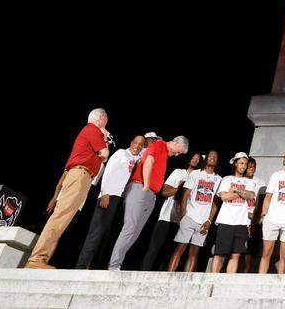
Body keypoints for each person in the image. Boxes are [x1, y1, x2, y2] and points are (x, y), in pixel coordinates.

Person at [27, 108, 112, 269]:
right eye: (105, 122)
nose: (105, 125)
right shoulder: (93, 129)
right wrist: (104, 137)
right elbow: (105, 154)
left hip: (82, 176)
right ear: (101, 119)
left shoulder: (90, 131)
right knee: (61, 216)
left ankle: (40, 258)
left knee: (63, 218)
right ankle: (36, 258)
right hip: (80, 174)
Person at [107, 134, 189, 271]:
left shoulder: (165, 154)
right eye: (178, 151)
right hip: (140, 188)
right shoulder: (159, 145)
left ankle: (118, 263)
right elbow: (148, 161)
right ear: (175, 142)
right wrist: (146, 185)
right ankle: (114, 264)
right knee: (130, 227)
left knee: (136, 231)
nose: (176, 155)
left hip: (151, 194)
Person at [75, 134, 144, 269]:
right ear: (131, 142)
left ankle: (93, 265)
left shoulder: (137, 159)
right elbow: (108, 172)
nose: (137, 146)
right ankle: (81, 266)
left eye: (141, 144)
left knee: (106, 235)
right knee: (96, 231)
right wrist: (104, 192)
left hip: (120, 198)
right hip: (109, 195)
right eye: (135, 142)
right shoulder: (121, 153)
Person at [140, 152, 202, 271]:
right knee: (154, 249)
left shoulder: (199, 177)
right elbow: (164, 191)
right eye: (193, 157)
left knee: (170, 253)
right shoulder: (178, 172)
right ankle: (143, 273)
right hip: (167, 217)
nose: (195, 160)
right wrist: (179, 189)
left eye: (198, 159)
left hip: (183, 220)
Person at [168, 149, 221, 272]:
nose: (212, 158)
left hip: (203, 222)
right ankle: (168, 279)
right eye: (210, 156)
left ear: (217, 161)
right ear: (206, 158)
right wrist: (183, 215)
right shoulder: (196, 174)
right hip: (189, 217)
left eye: (215, 157)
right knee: (179, 249)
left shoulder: (219, 179)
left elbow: (215, 203)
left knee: (194, 253)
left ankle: (187, 283)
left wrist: (209, 221)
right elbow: (185, 195)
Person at [211, 152, 258, 273]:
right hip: (226, 221)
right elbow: (224, 197)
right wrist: (242, 192)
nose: (243, 166)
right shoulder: (227, 179)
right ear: (235, 163)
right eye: (241, 163)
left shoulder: (250, 182)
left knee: (235, 255)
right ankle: (211, 280)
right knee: (219, 254)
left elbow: (251, 195)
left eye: (246, 164)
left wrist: (236, 189)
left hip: (241, 222)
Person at [259, 151, 285, 274]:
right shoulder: (276, 175)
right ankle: (260, 281)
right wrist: (264, 214)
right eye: (284, 156)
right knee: (266, 253)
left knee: (284, 255)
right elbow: (268, 196)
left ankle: (281, 284)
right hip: (272, 218)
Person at [244, 158, 266, 271]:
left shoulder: (261, 183)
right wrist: (245, 213)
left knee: (251, 250)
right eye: (249, 166)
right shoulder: (239, 180)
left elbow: (263, 202)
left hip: (255, 220)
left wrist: (255, 217)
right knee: (237, 249)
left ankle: (247, 271)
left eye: (253, 167)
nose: (252, 169)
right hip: (240, 219)